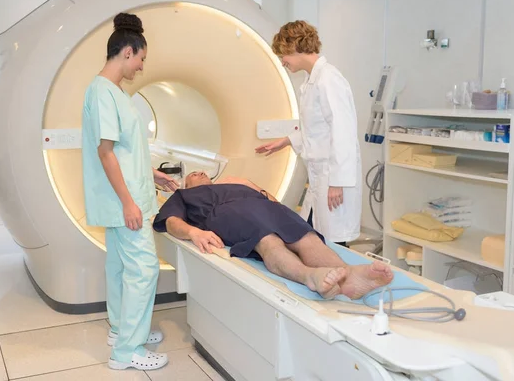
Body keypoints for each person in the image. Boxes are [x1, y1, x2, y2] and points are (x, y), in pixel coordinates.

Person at [81, 12, 178, 371]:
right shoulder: (104, 92)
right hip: (124, 200)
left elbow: (123, 150)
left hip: (128, 193)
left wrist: (154, 174)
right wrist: (128, 202)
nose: (140, 66)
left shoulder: (111, 91)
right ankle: (127, 351)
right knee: (144, 269)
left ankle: (122, 328)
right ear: (127, 52)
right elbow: (104, 152)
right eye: (140, 58)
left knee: (121, 267)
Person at [153, 172, 393, 300]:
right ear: (184, 184)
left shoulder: (239, 183)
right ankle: (310, 276)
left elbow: (274, 203)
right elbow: (171, 222)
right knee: (268, 240)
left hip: (266, 206)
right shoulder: (186, 197)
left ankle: (348, 276)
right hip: (227, 213)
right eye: (194, 173)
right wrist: (195, 232)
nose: (201, 173)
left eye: (204, 172)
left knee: (304, 235)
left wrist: (254, 188)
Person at [255, 20, 362, 248]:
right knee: (317, 235)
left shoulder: (329, 80)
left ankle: (341, 280)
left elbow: (343, 133)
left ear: (295, 47)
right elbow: (315, 130)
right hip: (320, 177)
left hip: (332, 179)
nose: (283, 62)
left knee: (334, 242)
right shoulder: (311, 81)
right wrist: (285, 141)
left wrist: (337, 183)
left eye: (283, 55)